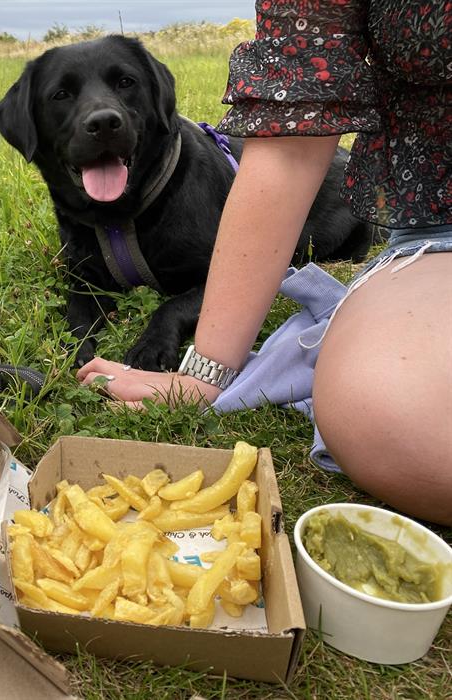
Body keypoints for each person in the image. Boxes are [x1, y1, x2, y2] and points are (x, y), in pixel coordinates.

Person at [77, 1, 452, 526]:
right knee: (383, 415)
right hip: (441, 227)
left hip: (355, 217)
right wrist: (203, 375)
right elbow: (293, 135)